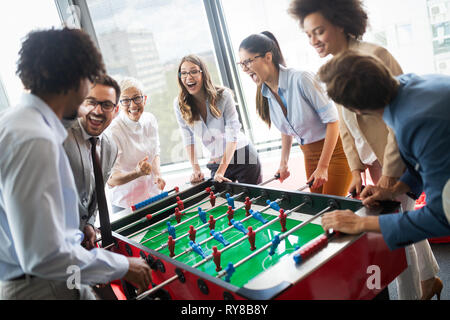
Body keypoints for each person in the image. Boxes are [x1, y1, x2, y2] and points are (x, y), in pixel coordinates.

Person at [288, 0, 442, 300]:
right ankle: (431, 278)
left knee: (394, 229)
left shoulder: (377, 57)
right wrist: (358, 169)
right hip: (376, 159)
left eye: (319, 31)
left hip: (397, 155)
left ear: (341, 23)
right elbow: (345, 124)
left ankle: (414, 291)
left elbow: (400, 117)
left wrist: (391, 175)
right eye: (308, 34)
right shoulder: (332, 69)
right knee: (400, 215)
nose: (314, 40)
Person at [0, 28, 152, 300]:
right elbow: (44, 255)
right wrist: (122, 265)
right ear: (75, 79)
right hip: (42, 286)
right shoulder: (34, 138)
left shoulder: (18, 124)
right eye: (89, 80)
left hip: (52, 278)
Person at [317, 51, 450, 299]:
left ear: (356, 110)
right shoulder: (407, 86)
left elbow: (440, 217)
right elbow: (420, 164)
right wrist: (393, 189)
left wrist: (361, 223)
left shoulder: (415, 123)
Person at [238, 32, 351, 196]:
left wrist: (323, 166)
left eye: (248, 61)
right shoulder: (266, 93)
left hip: (336, 153)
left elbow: (333, 121)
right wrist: (283, 163)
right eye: (241, 64)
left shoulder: (301, 79)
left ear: (268, 57)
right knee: (317, 210)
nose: (244, 68)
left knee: (331, 210)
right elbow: (286, 129)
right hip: (310, 156)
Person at [174, 54, 262, 185]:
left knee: (253, 201)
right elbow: (188, 138)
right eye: (184, 73)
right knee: (221, 201)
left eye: (193, 71)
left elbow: (233, 135)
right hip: (217, 159)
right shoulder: (179, 104)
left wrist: (221, 171)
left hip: (243, 155)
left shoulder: (223, 95)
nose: (188, 77)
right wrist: (196, 169)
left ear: (203, 74)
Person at [63, 75, 120, 250]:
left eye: (106, 105)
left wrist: (89, 223)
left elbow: (96, 196)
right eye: (91, 102)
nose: (97, 110)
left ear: (115, 110)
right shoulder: (59, 136)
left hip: (81, 245)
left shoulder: (111, 147)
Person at [106, 77, 166, 212]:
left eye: (136, 98)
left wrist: (157, 174)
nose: (132, 105)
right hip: (126, 205)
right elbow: (111, 180)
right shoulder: (112, 132)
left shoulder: (150, 119)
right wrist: (137, 173)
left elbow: (155, 152)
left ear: (144, 99)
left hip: (153, 196)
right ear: (118, 105)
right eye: (126, 100)